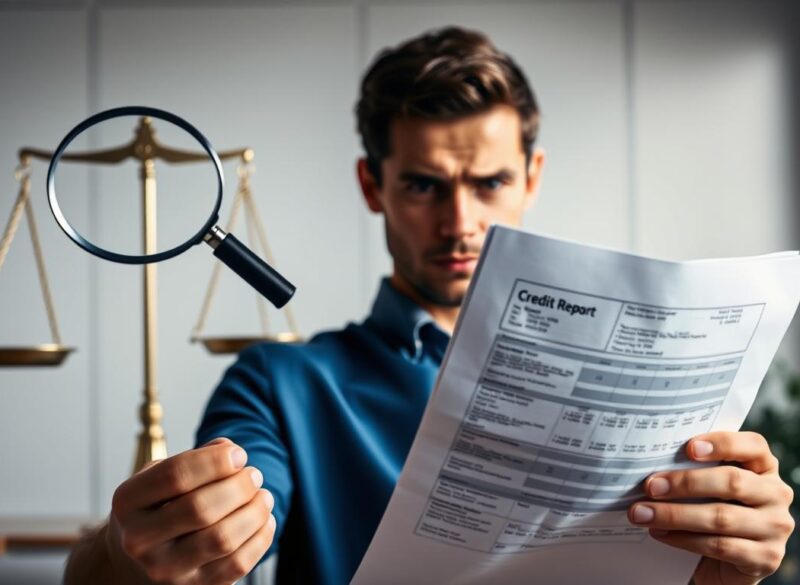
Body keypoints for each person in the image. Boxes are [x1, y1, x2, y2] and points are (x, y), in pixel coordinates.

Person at [64, 26, 795, 585]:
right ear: (371, 185)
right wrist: (125, 551)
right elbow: (181, 560)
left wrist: (722, 568)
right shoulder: (280, 384)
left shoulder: (643, 387)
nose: (459, 222)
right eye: (422, 185)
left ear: (531, 176)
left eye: (488, 182)